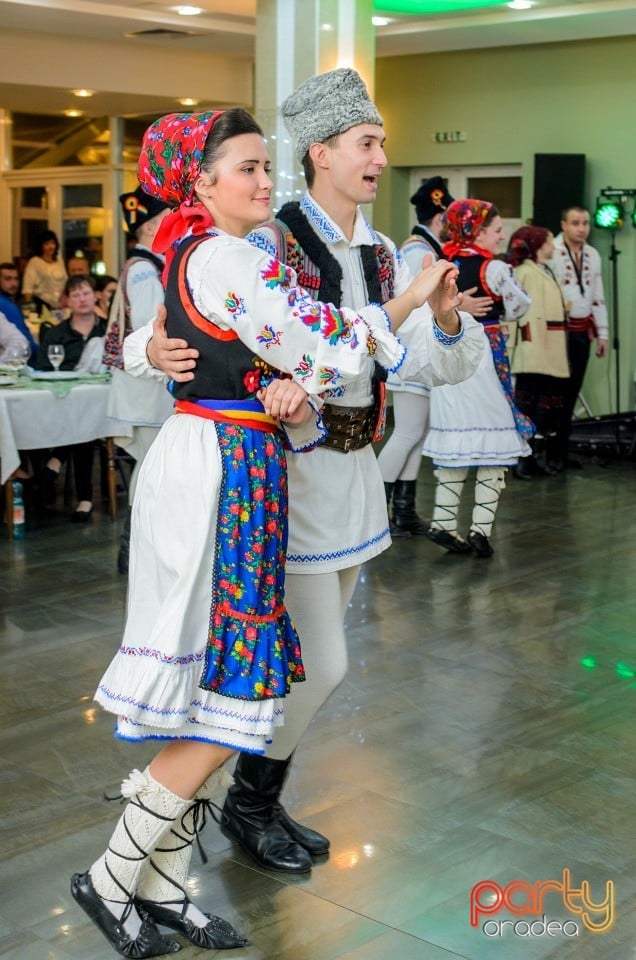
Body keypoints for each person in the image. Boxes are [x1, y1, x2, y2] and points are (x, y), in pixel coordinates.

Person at [71, 105, 464, 959]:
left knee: (222, 682)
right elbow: (323, 345)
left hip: (233, 461)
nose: (262, 181)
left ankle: (165, 885)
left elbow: (231, 338)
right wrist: (408, 298)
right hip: (221, 467)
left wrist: (155, 347)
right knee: (232, 690)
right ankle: (112, 877)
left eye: (262, 166)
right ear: (200, 181)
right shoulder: (225, 256)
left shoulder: (205, 253)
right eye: (244, 168)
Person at [379, 177, 493, 537]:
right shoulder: (417, 250)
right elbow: (413, 303)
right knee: (408, 431)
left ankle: (403, 508)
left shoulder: (426, 245)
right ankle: (377, 506)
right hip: (411, 351)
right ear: (440, 218)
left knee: (417, 432)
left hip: (426, 351)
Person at [423, 199, 533, 558]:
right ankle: (480, 530)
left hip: (446, 352)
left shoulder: (441, 266)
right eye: (497, 229)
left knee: (456, 440)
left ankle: (443, 520)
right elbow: (520, 305)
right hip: (483, 352)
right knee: (493, 443)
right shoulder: (494, 268)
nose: (502, 236)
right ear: (479, 231)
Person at [104, 187, 172, 574]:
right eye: (165, 219)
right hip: (145, 389)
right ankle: (135, 552)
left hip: (144, 388)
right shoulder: (146, 270)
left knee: (150, 468)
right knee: (151, 469)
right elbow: (152, 327)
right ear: (150, 227)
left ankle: (137, 552)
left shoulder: (146, 264)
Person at [34, 275, 107, 522]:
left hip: (101, 407)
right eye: (75, 295)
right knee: (81, 421)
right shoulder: (56, 334)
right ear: (67, 300)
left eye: (86, 293)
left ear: (95, 295)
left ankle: (56, 460)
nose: (82, 299)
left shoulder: (107, 329)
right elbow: (43, 368)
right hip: (60, 404)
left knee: (84, 417)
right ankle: (84, 498)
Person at [507, 226, 570, 479]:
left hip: (549, 348)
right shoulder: (524, 273)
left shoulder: (546, 270)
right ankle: (522, 460)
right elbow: (514, 311)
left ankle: (534, 456)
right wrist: (511, 344)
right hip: (534, 347)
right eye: (548, 243)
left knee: (543, 408)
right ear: (537, 245)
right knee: (528, 406)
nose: (553, 247)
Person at [550, 205, 608, 469]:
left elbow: (598, 297)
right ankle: (547, 452)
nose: (582, 228)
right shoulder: (551, 250)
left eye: (585, 223)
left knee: (572, 392)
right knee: (554, 394)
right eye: (575, 223)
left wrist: (603, 333)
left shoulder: (593, 254)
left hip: (582, 332)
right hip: (557, 333)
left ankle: (561, 452)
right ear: (563, 225)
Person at [21, 229, 68, 313]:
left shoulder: (59, 260)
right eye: (46, 244)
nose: (50, 247)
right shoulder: (34, 262)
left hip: (60, 305)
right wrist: (28, 310)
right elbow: (28, 287)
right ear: (40, 246)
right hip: (41, 304)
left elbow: (65, 281)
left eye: (52, 243)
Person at [0, 261, 37, 360]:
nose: (13, 284)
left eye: (16, 279)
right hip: (26, 361)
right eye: (8, 279)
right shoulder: (4, 304)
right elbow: (26, 344)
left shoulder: (9, 302)